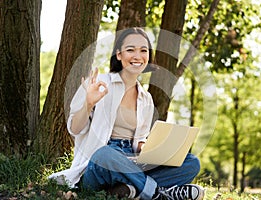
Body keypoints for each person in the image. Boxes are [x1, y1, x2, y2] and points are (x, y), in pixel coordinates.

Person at [49, 27, 204, 200]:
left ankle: (129, 189)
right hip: (99, 164)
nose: (137, 56)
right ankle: (156, 193)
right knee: (105, 154)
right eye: (130, 50)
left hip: (132, 161)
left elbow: (138, 142)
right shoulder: (99, 83)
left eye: (143, 50)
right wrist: (88, 103)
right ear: (119, 54)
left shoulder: (146, 98)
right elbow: (74, 129)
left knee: (191, 163)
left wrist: (153, 148)